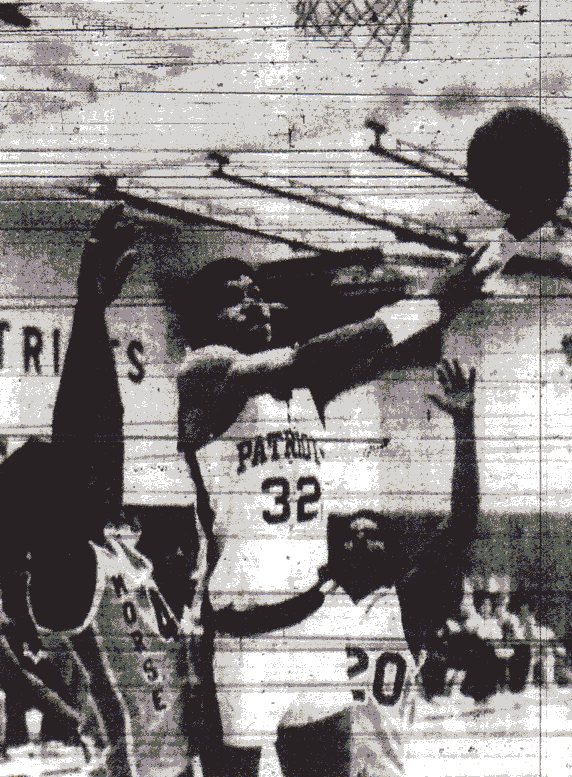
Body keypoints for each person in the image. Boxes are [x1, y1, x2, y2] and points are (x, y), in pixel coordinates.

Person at [176, 236, 499, 776]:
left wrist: (482, 264)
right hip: (241, 639)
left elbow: (387, 342)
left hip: (314, 623)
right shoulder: (204, 373)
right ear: (202, 323)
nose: (255, 305)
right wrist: (403, 314)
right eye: (235, 298)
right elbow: (312, 356)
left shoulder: (305, 393)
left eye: (256, 293)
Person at [20, 205, 201, 777]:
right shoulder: (64, 574)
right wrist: (89, 309)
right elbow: (87, 436)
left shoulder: (114, 555)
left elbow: (101, 435)